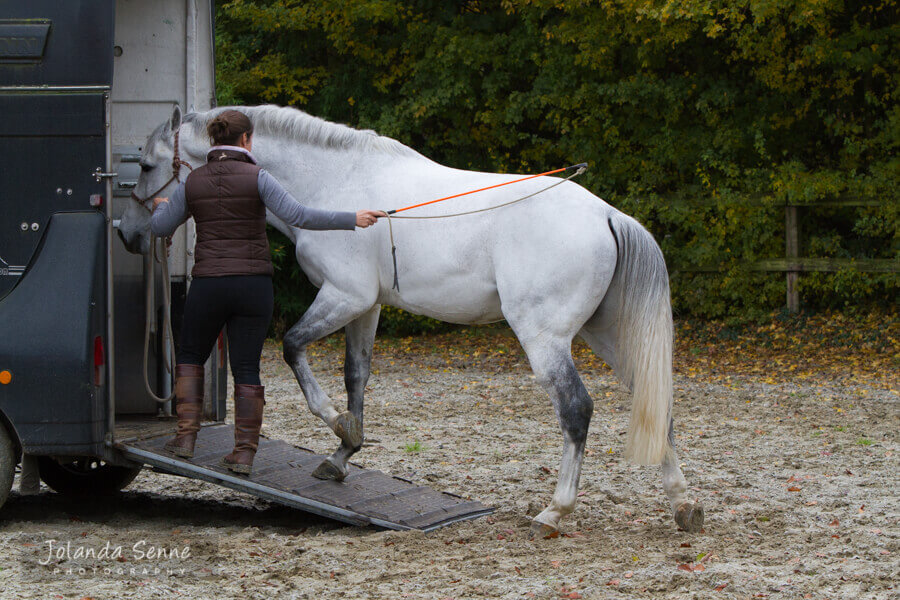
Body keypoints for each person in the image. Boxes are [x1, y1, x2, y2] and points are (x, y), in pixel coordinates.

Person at [150, 109, 384, 475]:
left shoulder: (192, 183)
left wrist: (158, 209)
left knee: (191, 356)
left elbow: (162, 227)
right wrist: (351, 218)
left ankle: (185, 438)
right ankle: (243, 454)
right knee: (246, 368)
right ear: (246, 141)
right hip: (253, 287)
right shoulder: (259, 178)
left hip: (209, 284)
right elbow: (300, 215)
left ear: (213, 142)